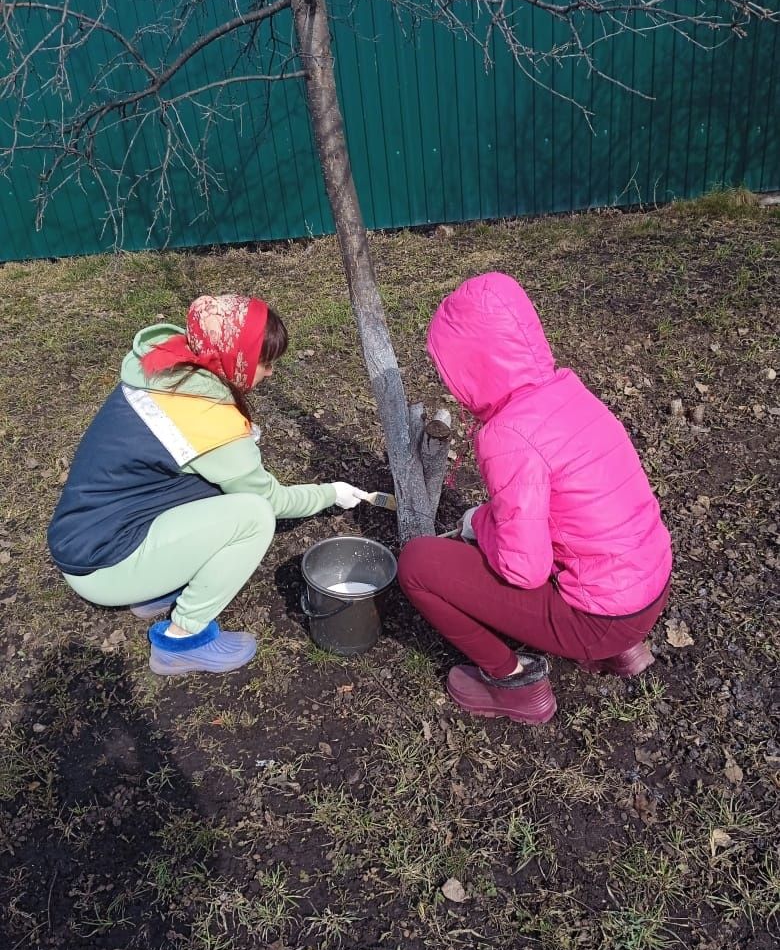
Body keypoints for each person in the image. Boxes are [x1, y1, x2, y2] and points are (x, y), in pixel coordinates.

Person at [397, 273, 672, 725]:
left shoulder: (507, 434)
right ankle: (623, 651)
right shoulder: (566, 391)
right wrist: (486, 519)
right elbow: (563, 508)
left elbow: (524, 571)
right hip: (647, 585)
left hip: (602, 617)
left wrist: (479, 525)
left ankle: (513, 682)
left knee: (419, 564)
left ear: (471, 364)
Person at [47, 294, 364, 675]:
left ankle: (156, 587)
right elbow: (272, 500)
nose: (271, 373)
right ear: (239, 357)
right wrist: (331, 492)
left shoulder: (166, 367)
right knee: (254, 515)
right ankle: (182, 640)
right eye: (266, 362)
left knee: (221, 486)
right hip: (103, 565)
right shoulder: (206, 417)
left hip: (87, 531)